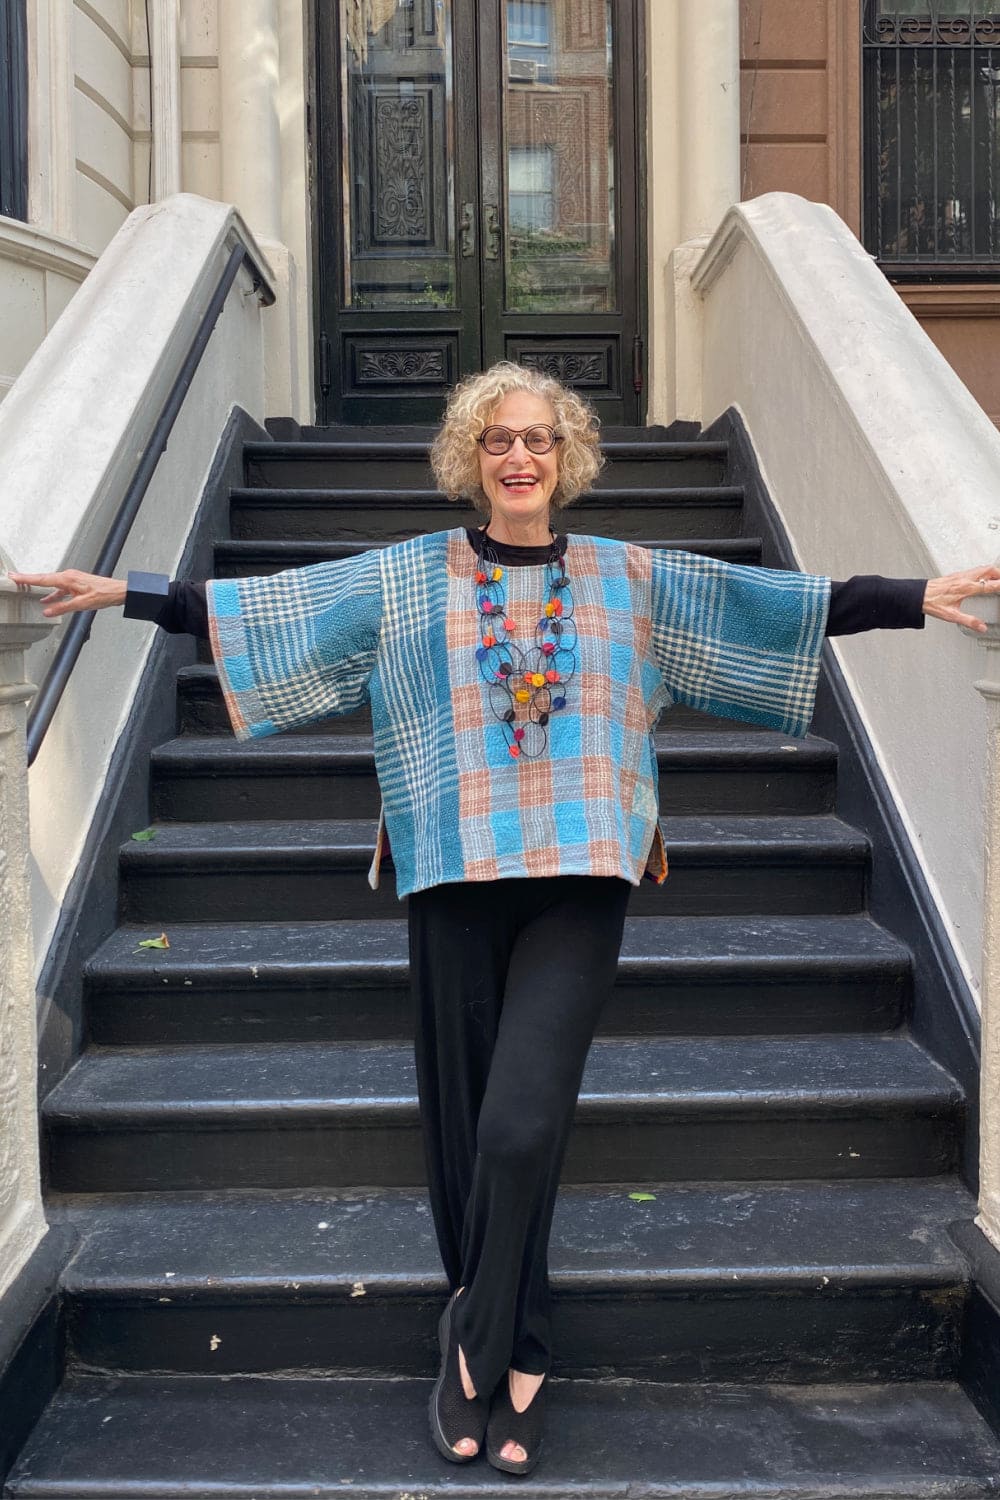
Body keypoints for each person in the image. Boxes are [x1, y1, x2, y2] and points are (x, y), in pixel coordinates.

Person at [10, 361, 1000, 1479]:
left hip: (582, 875)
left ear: (567, 456)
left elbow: (771, 607)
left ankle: (476, 1339)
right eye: (496, 442)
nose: (518, 458)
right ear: (469, 461)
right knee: (461, 1122)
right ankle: (512, 1344)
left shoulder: (629, 577)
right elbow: (262, 608)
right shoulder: (403, 578)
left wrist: (912, 597)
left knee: (518, 1124)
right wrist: (127, 593)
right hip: (449, 866)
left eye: (537, 439)